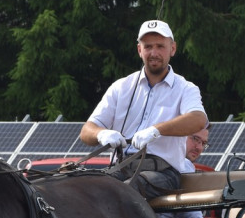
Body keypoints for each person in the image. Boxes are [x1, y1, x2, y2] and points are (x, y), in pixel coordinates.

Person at [80, 20, 207, 199]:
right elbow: (87, 131)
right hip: (121, 168)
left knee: (125, 190)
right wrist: (102, 134)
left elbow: (198, 119)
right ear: (140, 50)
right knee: (84, 189)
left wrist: (156, 130)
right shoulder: (121, 87)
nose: (154, 53)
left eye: (160, 46)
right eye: (148, 46)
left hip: (164, 173)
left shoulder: (186, 88)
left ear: (173, 49)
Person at [159, 123, 211, 218]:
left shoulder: (152, 158)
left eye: (203, 143)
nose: (199, 147)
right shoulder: (182, 164)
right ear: (179, 136)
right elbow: (192, 216)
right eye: (195, 139)